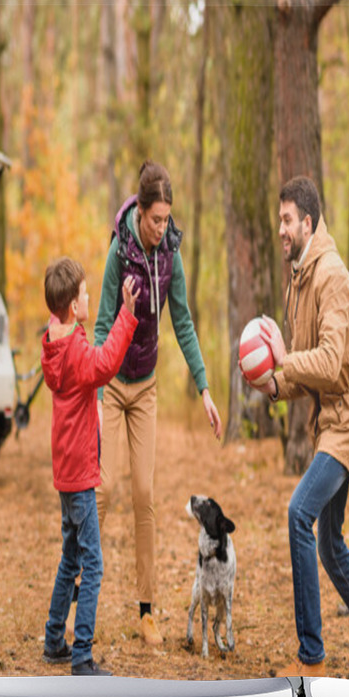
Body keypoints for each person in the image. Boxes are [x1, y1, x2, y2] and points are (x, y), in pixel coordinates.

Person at [250, 176, 349, 677]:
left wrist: (286, 363)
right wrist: (275, 384)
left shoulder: (330, 276)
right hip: (329, 417)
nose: (281, 228)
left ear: (308, 222)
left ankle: (311, 656)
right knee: (331, 544)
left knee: (299, 514)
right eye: (279, 220)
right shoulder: (299, 277)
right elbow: (304, 369)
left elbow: (330, 362)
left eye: (288, 219)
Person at [92, 160, 223, 646]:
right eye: (155, 219)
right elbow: (103, 325)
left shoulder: (171, 254)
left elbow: (183, 323)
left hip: (145, 387)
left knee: (143, 495)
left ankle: (146, 610)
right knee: (101, 490)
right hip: (111, 384)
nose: (162, 228)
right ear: (139, 212)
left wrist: (205, 388)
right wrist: (99, 389)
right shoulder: (118, 253)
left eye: (167, 219)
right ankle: (80, 592)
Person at [40, 256, 139, 676]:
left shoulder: (54, 340)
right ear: (72, 306)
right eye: (84, 293)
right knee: (92, 563)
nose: (89, 297)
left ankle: (52, 640)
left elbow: (82, 353)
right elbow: (103, 366)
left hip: (67, 471)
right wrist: (127, 318)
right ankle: (81, 655)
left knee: (69, 558)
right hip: (79, 472)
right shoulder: (76, 349)